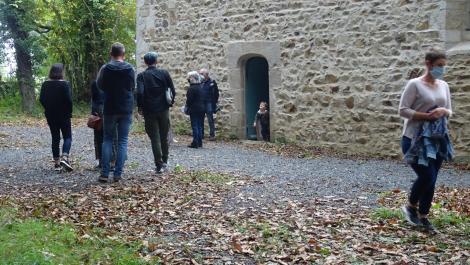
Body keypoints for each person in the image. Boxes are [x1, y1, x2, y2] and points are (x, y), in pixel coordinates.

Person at [399, 49, 453, 232]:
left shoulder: (443, 85)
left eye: (444, 66)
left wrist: (443, 112)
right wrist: (426, 116)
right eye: (439, 66)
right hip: (414, 139)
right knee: (427, 175)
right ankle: (410, 206)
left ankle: (424, 217)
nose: (441, 70)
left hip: (437, 139)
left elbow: (449, 110)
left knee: (432, 179)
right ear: (428, 64)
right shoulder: (414, 85)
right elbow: (403, 110)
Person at [96, 42, 135, 183]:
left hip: (110, 107)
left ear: (111, 54)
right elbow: (132, 86)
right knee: (123, 141)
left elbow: (99, 85)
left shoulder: (105, 68)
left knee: (107, 139)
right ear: (123, 54)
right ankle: (118, 174)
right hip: (125, 107)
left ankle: (105, 173)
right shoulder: (130, 68)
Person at [137, 52, 176, 174]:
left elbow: (140, 93)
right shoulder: (164, 73)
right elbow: (172, 90)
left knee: (154, 137)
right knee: (164, 136)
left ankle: (158, 164)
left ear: (145, 62)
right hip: (163, 109)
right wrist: (170, 102)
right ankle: (165, 160)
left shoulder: (141, 76)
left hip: (149, 110)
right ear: (156, 61)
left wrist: (140, 107)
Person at [39, 63, 73, 172]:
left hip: (51, 115)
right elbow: (69, 101)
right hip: (64, 115)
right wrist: (69, 112)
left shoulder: (45, 84)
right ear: (61, 72)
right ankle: (65, 157)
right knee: (67, 136)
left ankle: (57, 163)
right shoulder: (64, 84)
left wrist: (48, 108)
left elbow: (41, 99)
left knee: (55, 137)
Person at [91, 80, 117, 170]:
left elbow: (94, 98)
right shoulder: (113, 82)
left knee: (99, 137)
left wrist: (93, 112)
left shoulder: (95, 83)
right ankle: (113, 162)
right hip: (111, 109)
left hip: (98, 109)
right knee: (112, 136)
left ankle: (101, 162)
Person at [185, 71, 205, 148]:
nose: (188, 79)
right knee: (199, 125)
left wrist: (187, 107)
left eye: (189, 78)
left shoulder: (191, 88)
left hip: (194, 109)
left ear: (192, 78)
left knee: (195, 126)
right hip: (202, 108)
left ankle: (195, 143)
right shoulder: (200, 87)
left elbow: (189, 100)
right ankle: (200, 142)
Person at [199, 68, 219, 141]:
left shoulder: (212, 82)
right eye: (199, 74)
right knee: (200, 119)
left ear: (206, 75)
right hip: (201, 103)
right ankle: (201, 135)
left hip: (209, 103)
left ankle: (212, 135)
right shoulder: (199, 82)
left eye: (201, 74)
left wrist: (214, 102)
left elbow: (216, 93)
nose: (200, 75)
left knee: (210, 119)